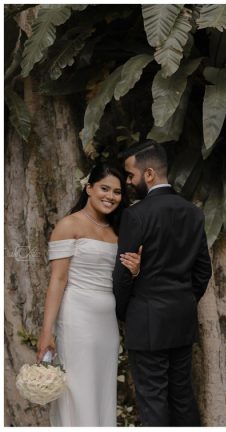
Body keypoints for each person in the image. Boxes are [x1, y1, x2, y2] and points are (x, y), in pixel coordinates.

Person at [113, 142, 212, 426]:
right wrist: (183, 299)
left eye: (131, 175)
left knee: (153, 398)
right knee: (182, 395)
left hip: (145, 320)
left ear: (149, 174)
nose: (128, 182)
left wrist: (123, 312)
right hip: (181, 317)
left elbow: (123, 274)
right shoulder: (193, 212)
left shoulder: (136, 214)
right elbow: (203, 271)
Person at [36, 163, 140, 426]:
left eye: (117, 192)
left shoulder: (119, 231)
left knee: (102, 390)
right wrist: (46, 333)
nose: (111, 196)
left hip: (107, 322)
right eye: (104, 188)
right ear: (89, 188)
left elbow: (121, 278)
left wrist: (135, 271)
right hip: (77, 317)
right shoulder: (69, 225)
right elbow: (57, 280)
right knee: (78, 389)